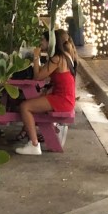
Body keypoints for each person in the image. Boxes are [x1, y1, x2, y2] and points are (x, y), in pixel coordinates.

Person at [16, 29, 76, 157]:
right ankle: (29, 134)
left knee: (25, 107)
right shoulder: (65, 55)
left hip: (62, 99)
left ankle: (34, 145)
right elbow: (45, 74)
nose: (40, 42)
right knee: (33, 101)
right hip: (65, 98)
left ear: (51, 42)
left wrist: (36, 56)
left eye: (43, 40)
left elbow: (37, 77)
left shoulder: (57, 59)